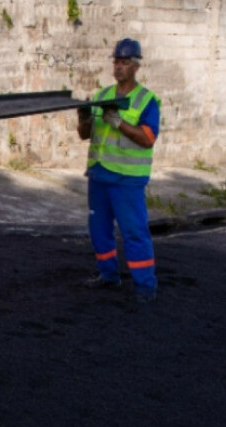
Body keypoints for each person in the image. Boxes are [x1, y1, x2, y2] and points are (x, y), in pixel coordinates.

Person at [77, 38, 161, 304]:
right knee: (99, 230)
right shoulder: (102, 96)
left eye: (124, 63)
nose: (119, 67)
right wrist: (84, 119)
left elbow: (147, 138)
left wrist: (120, 123)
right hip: (100, 175)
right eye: (116, 62)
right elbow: (85, 135)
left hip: (127, 179)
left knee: (134, 232)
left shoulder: (146, 101)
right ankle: (108, 275)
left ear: (136, 67)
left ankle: (145, 287)